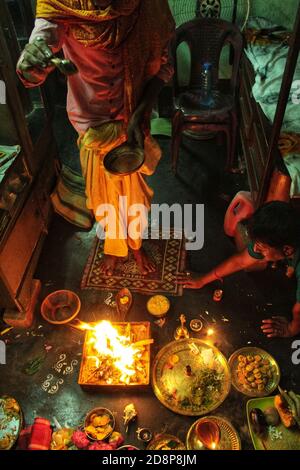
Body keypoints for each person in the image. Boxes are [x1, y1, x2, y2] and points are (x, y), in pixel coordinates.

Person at [17, 0, 175, 275]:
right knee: (103, 201)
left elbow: (164, 65)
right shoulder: (66, 4)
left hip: (133, 125)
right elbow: (42, 41)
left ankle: (135, 246)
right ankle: (113, 248)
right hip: (91, 127)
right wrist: (32, 62)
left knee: (135, 201)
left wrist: (142, 111)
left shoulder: (147, 6)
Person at [178, 201, 300, 338]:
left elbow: (298, 309)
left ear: (287, 249)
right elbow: (240, 261)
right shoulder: (279, 239)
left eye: (262, 247)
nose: (255, 250)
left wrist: (291, 329)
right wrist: (203, 279)